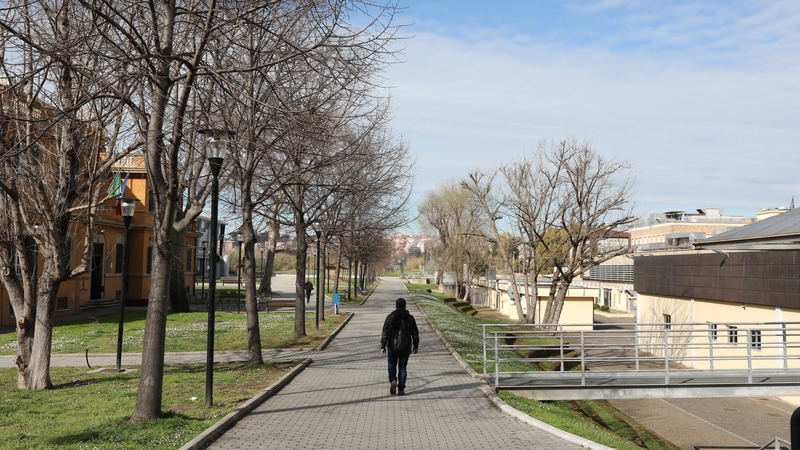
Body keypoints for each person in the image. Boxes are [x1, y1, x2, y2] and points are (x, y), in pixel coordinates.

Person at [380, 298, 419, 396]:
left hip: (392, 347)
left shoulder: (390, 317)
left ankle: (393, 380)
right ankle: (401, 389)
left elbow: (385, 333)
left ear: (396, 306)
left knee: (391, 364)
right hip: (405, 348)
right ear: (405, 306)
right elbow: (415, 334)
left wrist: (383, 345)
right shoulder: (410, 318)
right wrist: (416, 345)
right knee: (402, 367)